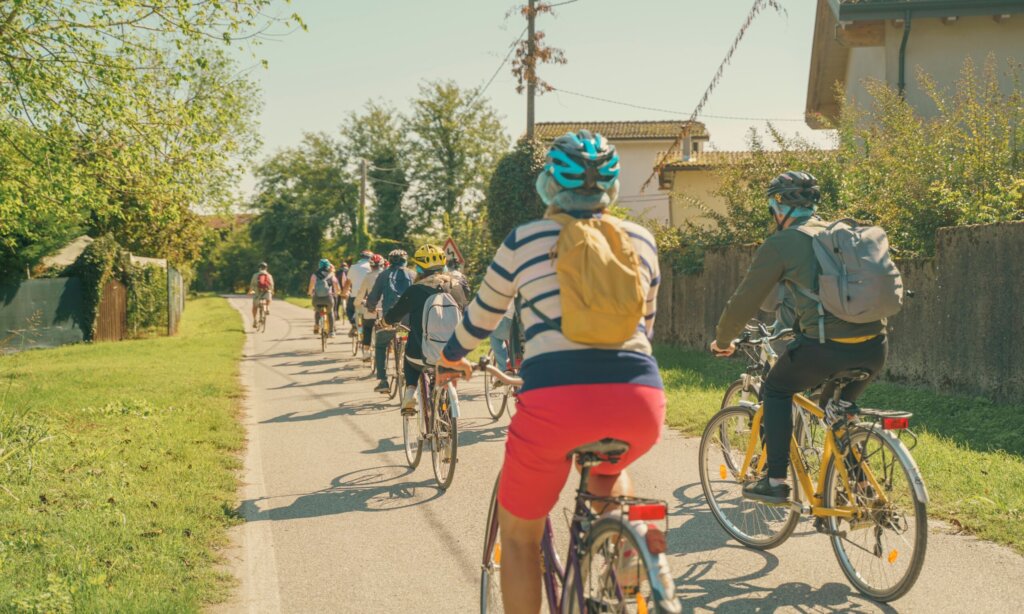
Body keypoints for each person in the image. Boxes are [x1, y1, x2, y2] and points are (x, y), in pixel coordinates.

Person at [437, 131, 671, 613]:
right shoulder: (642, 241)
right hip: (639, 399)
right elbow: (644, 330)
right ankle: (628, 538)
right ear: (612, 188)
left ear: (549, 183)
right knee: (608, 469)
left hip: (557, 404)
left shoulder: (525, 240)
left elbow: (481, 319)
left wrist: (450, 358)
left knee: (519, 538)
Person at [709, 171, 888, 504]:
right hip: (875, 346)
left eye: (771, 207)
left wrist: (723, 340)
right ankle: (862, 486)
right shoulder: (841, 233)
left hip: (824, 348)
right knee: (835, 411)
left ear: (779, 207)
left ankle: (775, 480)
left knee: (776, 389)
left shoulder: (783, 243)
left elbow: (745, 301)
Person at [383, 245, 469, 412]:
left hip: (421, 354)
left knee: (410, 358)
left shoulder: (415, 290)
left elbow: (394, 315)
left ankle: (410, 392)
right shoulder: (457, 288)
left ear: (419, 268)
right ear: (444, 265)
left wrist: (384, 323)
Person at [366, 249, 415, 393]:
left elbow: (373, 296)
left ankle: (383, 381)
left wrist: (371, 307)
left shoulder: (384, 275)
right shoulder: (413, 275)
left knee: (381, 345)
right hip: (408, 321)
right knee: (411, 344)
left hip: (390, 320)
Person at [355, 254, 385, 361]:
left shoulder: (368, 277)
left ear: (371, 266)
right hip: (384, 309)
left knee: (367, 328)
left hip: (371, 308)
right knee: (386, 328)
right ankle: (388, 347)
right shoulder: (387, 275)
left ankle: (366, 352)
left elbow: (361, 292)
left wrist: (357, 303)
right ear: (382, 265)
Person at [307, 258, 341, 336]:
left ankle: (316, 325)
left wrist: (309, 293)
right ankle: (331, 332)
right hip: (328, 299)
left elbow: (311, 287)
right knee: (330, 312)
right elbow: (337, 287)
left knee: (317, 310)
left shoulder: (314, 275)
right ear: (328, 265)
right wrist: (337, 293)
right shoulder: (331, 275)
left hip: (317, 299)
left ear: (319, 265)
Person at [346, 251, 374, 335]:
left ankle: (354, 325)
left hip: (355, 295)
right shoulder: (372, 267)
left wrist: (344, 292)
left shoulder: (353, 267)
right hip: (368, 296)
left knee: (349, 309)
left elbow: (348, 282)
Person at [248, 262, 274, 329]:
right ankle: (267, 307)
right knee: (269, 298)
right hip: (266, 293)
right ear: (266, 268)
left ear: (259, 268)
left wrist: (250, 292)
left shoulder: (255, 275)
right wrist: (271, 291)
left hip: (257, 293)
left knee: (254, 307)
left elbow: (252, 285)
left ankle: (255, 320)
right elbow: (271, 285)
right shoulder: (269, 275)